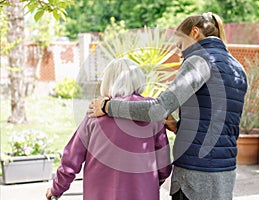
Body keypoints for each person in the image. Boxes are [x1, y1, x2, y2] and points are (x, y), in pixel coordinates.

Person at [88, 12, 248, 200]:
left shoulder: (199, 61)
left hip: (194, 176)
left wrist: (108, 106)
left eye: (180, 44)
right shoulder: (237, 68)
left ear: (195, 33)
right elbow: (218, 123)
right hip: (225, 172)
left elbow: (157, 109)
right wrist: (178, 126)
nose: (179, 51)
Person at [46, 58, 172, 200]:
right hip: (142, 192)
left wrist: (56, 189)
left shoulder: (95, 113)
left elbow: (72, 158)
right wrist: (154, 182)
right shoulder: (150, 112)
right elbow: (164, 163)